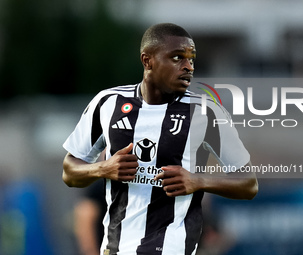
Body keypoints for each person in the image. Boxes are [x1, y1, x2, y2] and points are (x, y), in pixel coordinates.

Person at [62, 23, 258, 255]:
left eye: (191, 59)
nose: (188, 67)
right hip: (115, 249)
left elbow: (249, 184)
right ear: (147, 61)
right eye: (177, 58)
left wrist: (198, 181)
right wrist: (103, 168)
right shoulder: (107, 103)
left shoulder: (206, 112)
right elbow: (69, 171)